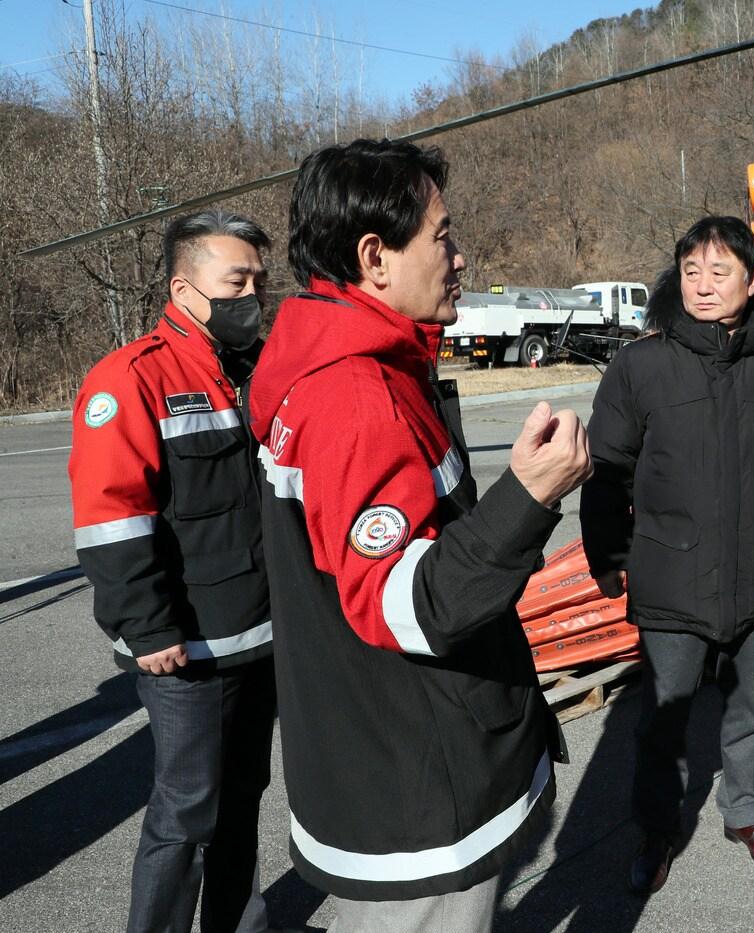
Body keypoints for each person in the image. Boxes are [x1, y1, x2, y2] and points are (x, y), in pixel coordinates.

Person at [248, 138, 590, 933]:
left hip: (382, 750)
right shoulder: (355, 396)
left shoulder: (337, 364)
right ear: (374, 257)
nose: (460, 256)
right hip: (416, 781)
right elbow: (408, 605)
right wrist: (529, 498)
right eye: (442, 236)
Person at [580, 216, 754, 895]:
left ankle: (746, 811)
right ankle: (658, 826)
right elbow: (607, 466)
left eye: (719, 271)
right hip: (671, 568)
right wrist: (604, 552)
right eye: (691, 270)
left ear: (752, 282)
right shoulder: (641, 364)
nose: (703, 284)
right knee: (663, 714)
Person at [69, 210, 277, 933]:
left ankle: (238, 923)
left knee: (245, 794)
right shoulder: (129, 380)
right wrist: (147, 624)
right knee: (187, 809)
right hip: (184, 647)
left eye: (258, 278)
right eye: (236, 280)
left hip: (258, 632)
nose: (253, 293)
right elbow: (110, 517)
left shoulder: (253, 369)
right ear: (184, 288)